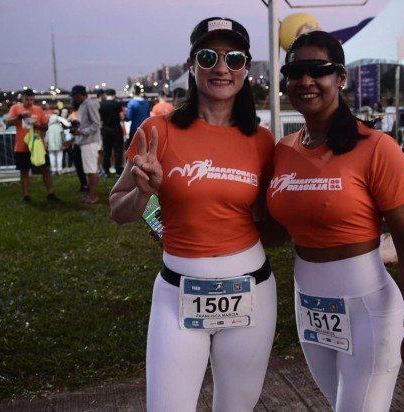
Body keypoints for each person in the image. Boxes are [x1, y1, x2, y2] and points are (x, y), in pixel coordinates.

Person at [109, 17, 276, 411]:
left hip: (251, 290)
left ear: (246, 69)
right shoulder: (157, 131)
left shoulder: (261, 140)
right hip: (177, 290)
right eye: (208, 57)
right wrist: (144, 192)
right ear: (191, 64)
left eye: (233, 58)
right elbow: (119, 209)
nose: (221, 68)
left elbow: (271, 217)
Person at [267, 31, 404, 411]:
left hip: (368, 310)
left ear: (340, 77)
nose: (306, 81)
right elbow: (273, 232)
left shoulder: (376, 147)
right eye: (295, 72)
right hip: (309, 307)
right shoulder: (283, 150)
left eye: (318, 70)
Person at [6, 89, 60, 203]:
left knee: (45, 169)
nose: (29, 102)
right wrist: (20, 117)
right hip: (22, 146)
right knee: (24, 171)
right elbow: (8, 122)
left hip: (38, 145)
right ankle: (26, 195)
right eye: (27, 99)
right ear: (22, 98)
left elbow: (45, 127)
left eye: (32, 99)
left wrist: (37, 126)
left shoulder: (38, 109)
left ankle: (50, 193)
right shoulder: (15, 108)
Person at [70, 85, 102, 204]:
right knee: (90, 170)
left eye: (74, 96)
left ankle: (93, 196)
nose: (74, 99)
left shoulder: (90, 104)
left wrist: (81, 132)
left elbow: (96, 124)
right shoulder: (84, 104)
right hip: (85, 141)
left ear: (79, 95)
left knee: (91, 170)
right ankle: (92, 195)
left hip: (89, 142)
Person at [99, 88, 125, 177]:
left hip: (105, 129)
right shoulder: (117, 104)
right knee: (118, 150)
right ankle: (118, 170)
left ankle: (106, 171)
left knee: (106, 151)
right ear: (114, 95)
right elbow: (121, 117)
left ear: (106, 95)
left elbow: (99, 118)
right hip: (116, 129)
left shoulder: (101, 104)